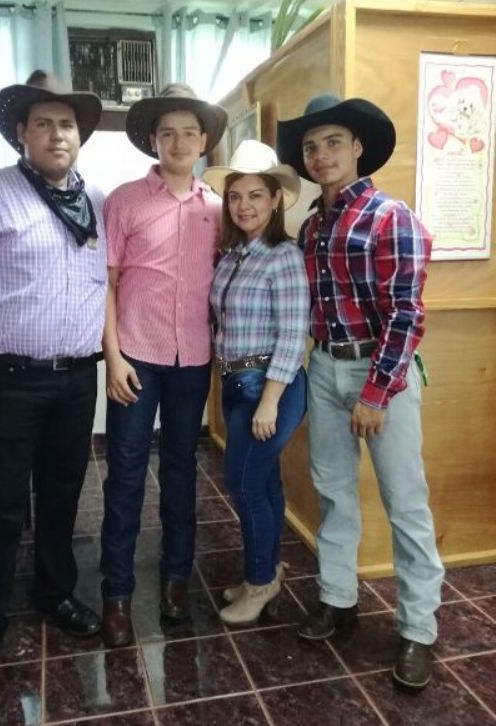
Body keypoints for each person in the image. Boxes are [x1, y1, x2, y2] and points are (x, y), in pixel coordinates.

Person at [0, 71, 107, 695]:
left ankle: (56, 592)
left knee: (62, 495)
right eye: (44, 124)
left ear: (79, 136)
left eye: (67, 125)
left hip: (76, 380)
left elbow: (107, 285)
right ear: (21, 134)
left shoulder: (96, 200)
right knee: (0, 506)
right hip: (7, 380)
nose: (57, 134)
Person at [276, 94, 445, 689]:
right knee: (333, 492)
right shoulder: (312, 227)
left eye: (332, 143)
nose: (320, 155)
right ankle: (338, 600)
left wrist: (376, 392)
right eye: (310, 146)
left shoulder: (389, 216)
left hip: (382, 373)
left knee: (405, 502)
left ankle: (418, 629)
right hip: (325, 366)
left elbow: (406, 313)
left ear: (357, 148)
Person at [99, 84, 227, 647]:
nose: (179, 142)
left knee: (181, 470)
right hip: (135, 357)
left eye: (189, 133)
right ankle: (116, 592)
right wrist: (112, 357)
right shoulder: (124, 200)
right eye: (168, 132)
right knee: (126, 474)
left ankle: (176, 579)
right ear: (153, 140)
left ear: (204, 141)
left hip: (192, 358)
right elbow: (105, 284)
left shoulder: (217, 209)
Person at [204, 140, 309, 626]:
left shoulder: (284, 255)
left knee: (243, 485)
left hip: (270, 386)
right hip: (236, 384)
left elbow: (293, 334)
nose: (243, 205)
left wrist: (270, 401)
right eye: (235, 196)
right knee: (263, 482)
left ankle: (261, 581)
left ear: (275, 199)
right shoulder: (232, 256)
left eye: (255, 195)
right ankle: (266, 569)